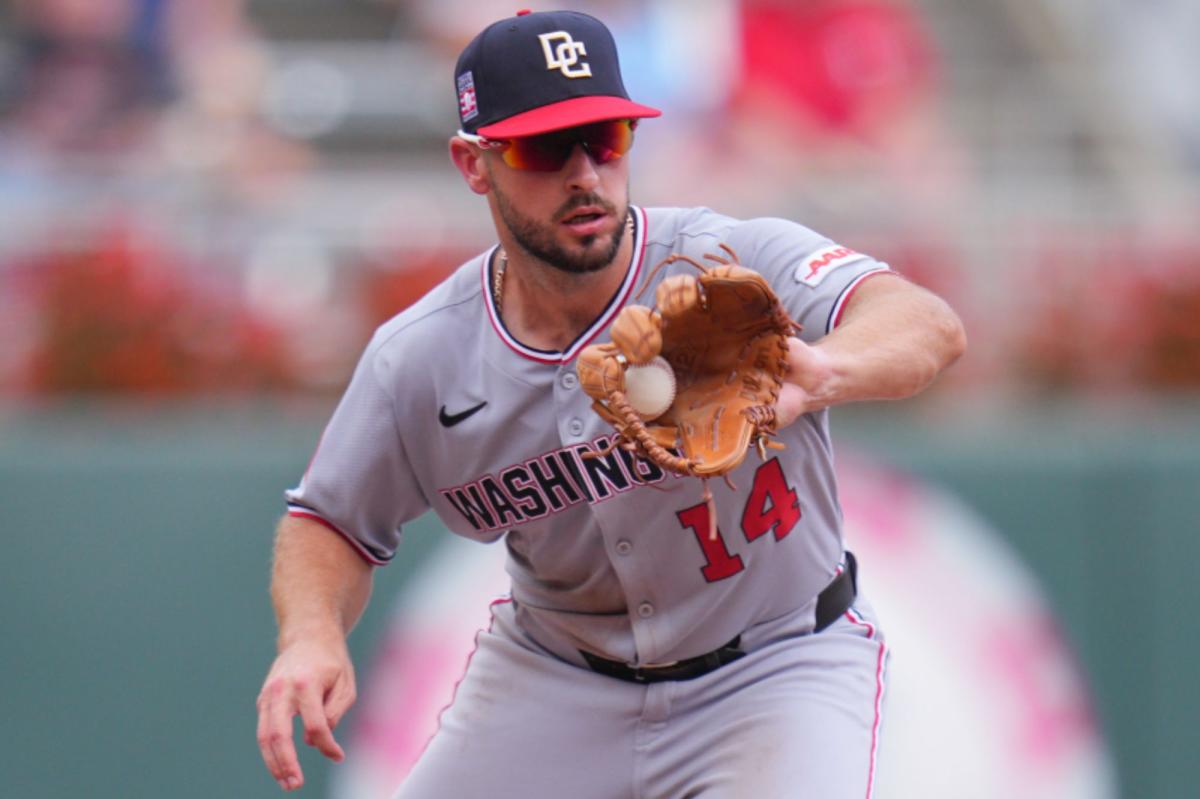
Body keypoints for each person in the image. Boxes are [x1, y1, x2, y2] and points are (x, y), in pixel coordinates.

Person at [255, 9, 966, 798]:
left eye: (605, 138)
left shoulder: (729, 259)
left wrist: (824, 369)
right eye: (543, 147)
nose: (585, 174)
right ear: (473, 164)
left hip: (777, 667)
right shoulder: (421, 357)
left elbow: (925, 323)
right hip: (557, 680)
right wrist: (311, 634)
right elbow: (330, 519)